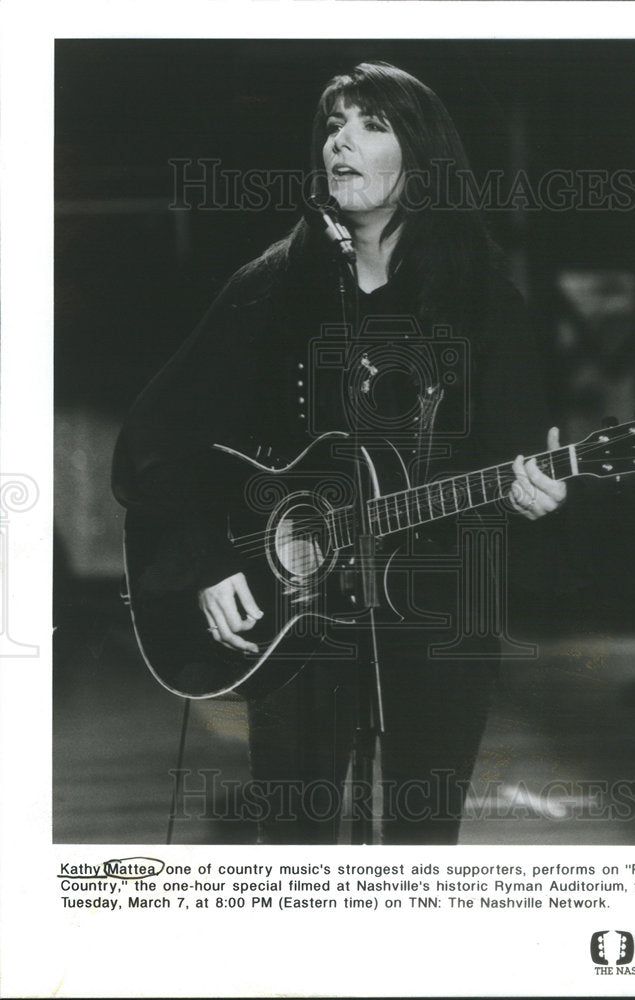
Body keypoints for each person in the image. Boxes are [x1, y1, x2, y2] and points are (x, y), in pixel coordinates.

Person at [112, 61, 566, 844]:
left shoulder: (482, 296)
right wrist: (210, 560)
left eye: (370, 125)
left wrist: (536, 492)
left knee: (422, 848)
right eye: (332, 125)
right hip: (294, 619)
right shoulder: (273, 283)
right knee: (297, 846)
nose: (340, 143)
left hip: (437, 615)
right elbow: (153, 441)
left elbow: (515, 456)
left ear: (420, 157)